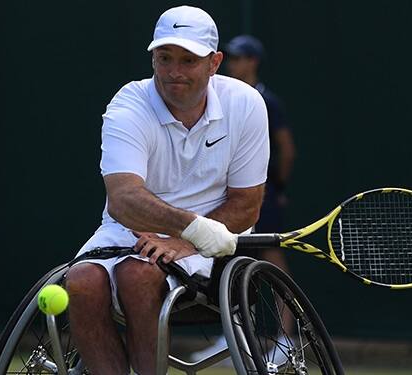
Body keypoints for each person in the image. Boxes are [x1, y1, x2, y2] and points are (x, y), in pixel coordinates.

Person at [64, 6, 269, 375]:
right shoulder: (129, 104)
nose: (174, 72)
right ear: (153, 58)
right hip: (128, 227)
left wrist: (189, 240)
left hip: (212, 237)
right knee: (80, 282)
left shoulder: (246, 104)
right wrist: (188, 229)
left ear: (214, 63)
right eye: (165, 58)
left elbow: (247, 205)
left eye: (188, 60)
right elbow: (124, 199)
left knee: (136, 274)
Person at [190, 34, 298, 364]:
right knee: (228, 265)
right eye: (231, 58)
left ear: (252, 62)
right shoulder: (224, 99)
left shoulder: (266, 101)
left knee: (271, 265)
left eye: (240, 58)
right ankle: (234, 339)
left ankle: (286, 342)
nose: (234, 64)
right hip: (229, 196)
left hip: (260, 196)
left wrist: (276, 187)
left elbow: (287, 149)